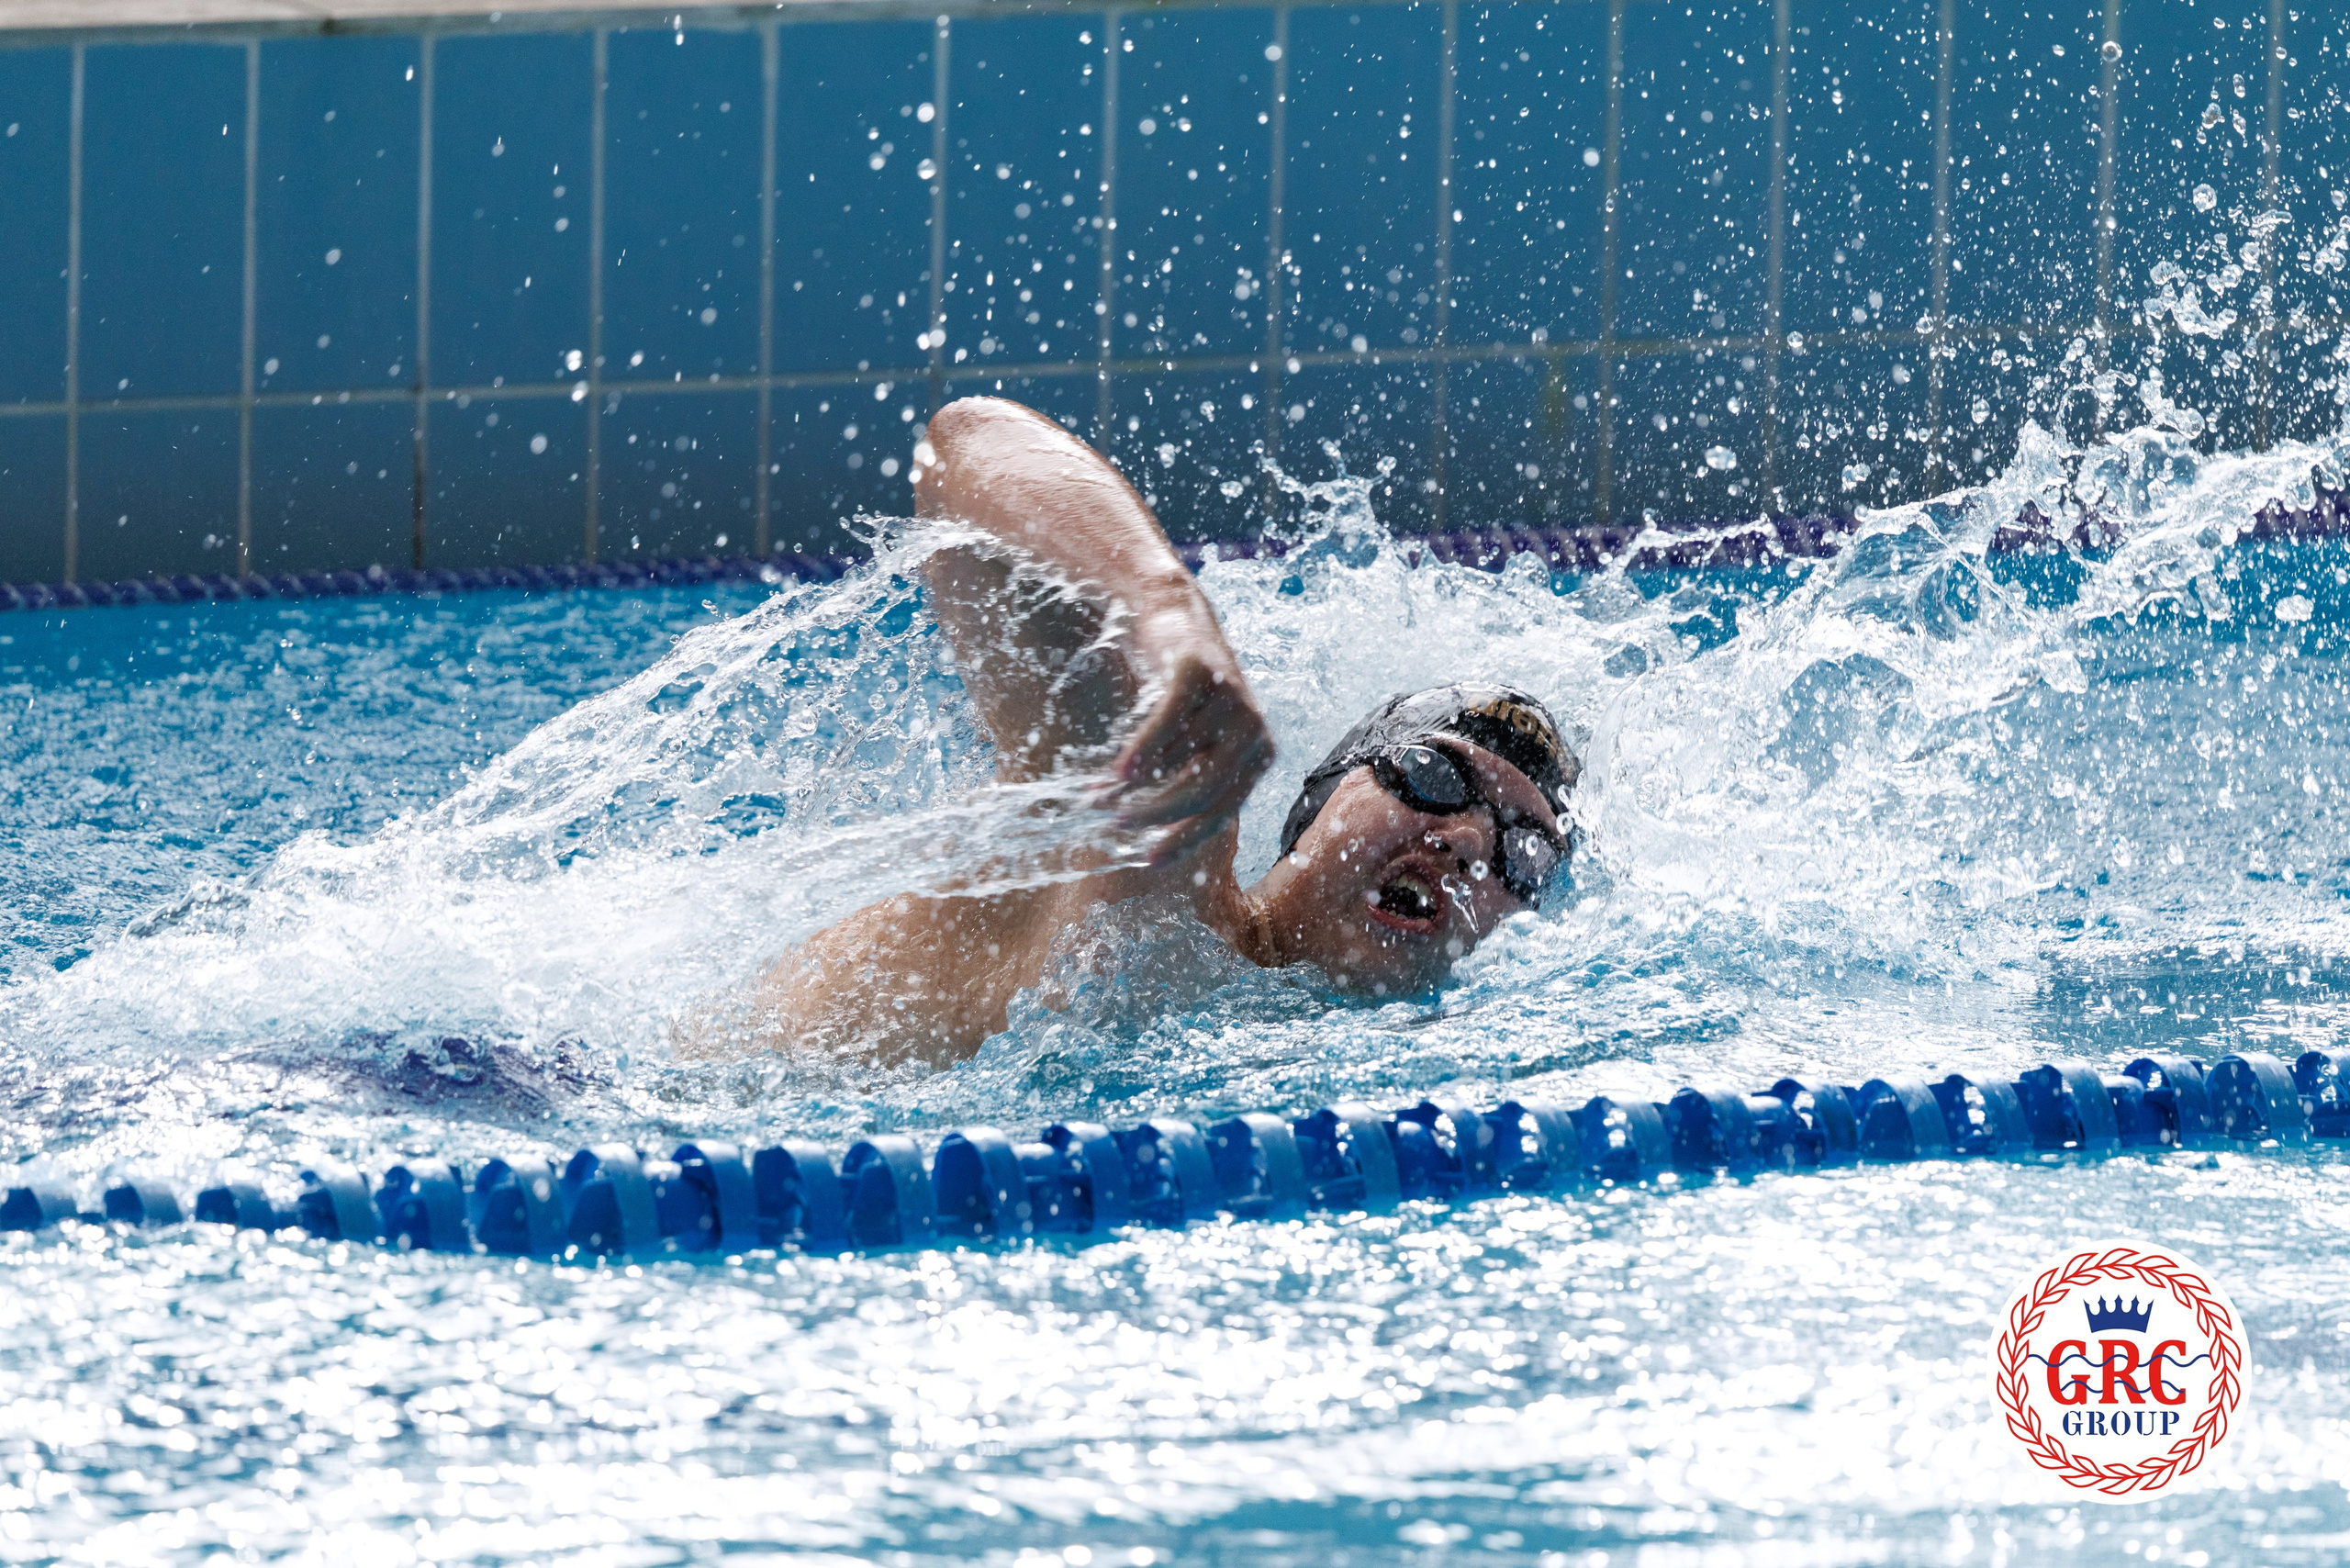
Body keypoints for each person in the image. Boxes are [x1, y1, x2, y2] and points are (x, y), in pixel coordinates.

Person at [760, 397, 1577, 1063]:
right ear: (1320, 800)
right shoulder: (1159, 874)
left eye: (1526, 851)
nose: (1467, 840)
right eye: (1433, 775)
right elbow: (967, 443)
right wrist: (1164, 608)